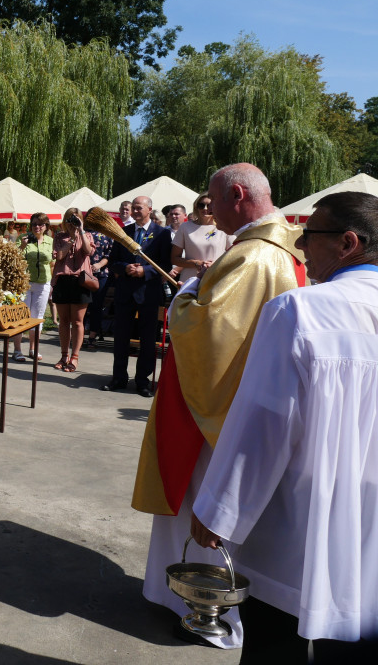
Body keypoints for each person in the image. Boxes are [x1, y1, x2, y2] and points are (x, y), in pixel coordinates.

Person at [191, 191, 378, 664]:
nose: (299, 244)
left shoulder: (300, 311)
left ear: (347, 243)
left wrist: (218, 510)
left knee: (276, 646)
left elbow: (263, 426)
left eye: (309, 234)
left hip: (303, 518)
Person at [131, 163, 306, 649]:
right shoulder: (282, 249)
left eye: (212, 200)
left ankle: (207, 608)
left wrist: (186, 295)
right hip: (251, 400)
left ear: (236, 194)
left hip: (221, 409)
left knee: (207, 503)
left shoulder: (253, 257)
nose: (208, 213)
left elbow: (209, 333)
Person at [101, 195, 172, 397]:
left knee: (148, 340)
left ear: (150, 209)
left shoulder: (162, 234)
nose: (134, 211)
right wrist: (125, 267)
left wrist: (145, 271)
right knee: (121, 337)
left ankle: (142, 381)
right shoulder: (124, 233)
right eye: (133, 208)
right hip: (125, 293)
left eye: (139, 208)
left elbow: (166, 266)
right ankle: (119, 378)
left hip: (148, 294)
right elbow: (113, 260)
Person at [50, 208, 94, 372]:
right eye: (68, 219)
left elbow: (89, 251)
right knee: (64, 321)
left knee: (77, 322)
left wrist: (81, 231)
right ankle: (63, 356)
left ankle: (74, 357)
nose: (71, 223)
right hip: (63, 280)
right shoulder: (59, 236)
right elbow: (59, 256)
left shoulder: (87, 235)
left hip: (80, 281)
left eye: (74, 219)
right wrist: (71, 241)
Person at [11, 213, 54, 362]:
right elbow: (14, 258)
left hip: (43, 283)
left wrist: (52, 283)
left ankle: (33, 348)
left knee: (37, 317)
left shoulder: (50, 241)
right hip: (24, 283)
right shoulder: (23, 238)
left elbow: (52, 263)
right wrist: (23, 245)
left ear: (46, 226)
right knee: (21, 317)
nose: (37, 227)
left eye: (41, 224)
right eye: (34, 224)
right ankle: (17, 350)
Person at [171, 192, 235, 283]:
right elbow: (174, 259)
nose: (205, 209)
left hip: (215, 277)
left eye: (209, 205)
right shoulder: (185, 227)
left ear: (215, 206)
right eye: (201, 205)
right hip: (189, 280)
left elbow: (234, 255)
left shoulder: (224, 227)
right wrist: (195, 263)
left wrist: (216, 264)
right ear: (196, 207)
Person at [83, 228, 113, 350]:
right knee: (82, 306)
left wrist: (99, 265)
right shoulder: (83, 233)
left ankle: (92, 337)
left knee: (96, 307)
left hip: (101, 275)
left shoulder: (108, 234)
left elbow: (109, 255)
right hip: (83, 273)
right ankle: (78, 335)